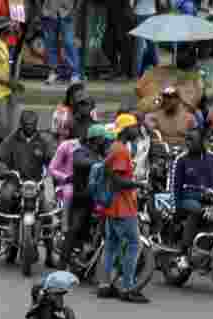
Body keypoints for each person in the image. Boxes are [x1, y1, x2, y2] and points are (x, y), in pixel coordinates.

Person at [0, 110, 57, 264]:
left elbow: (52, 159)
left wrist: (55, 168)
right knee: (5, 196)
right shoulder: (10, 140)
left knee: (47, 213)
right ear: (21, 124)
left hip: (34, 184)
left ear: (36, 125)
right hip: (15, 181)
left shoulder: (42, 141)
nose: (30, 126)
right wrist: (3, 170)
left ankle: (49, 255)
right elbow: (0, 159)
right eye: (27, 124)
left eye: (33, 124)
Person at [98, 116, 150, 303]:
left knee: (111, 245)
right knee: (134, 244)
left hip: (113, 205)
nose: (138, 130)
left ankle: (105, 285)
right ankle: (128, 287)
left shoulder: (114, 147)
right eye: (135, 127)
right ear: (126, 129)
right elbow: (119, 181)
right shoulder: (121, 151)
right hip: (123, 206)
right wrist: (139, 184)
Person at [171, 125, 213, 270]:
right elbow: (174, 187)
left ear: (202, 141)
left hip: (211, 200)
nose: (187, 142)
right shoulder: (181, 160)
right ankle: (183, 254)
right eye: (187, 139)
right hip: (186, 200)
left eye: (191, 139)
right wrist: (175, 208)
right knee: (198, 211)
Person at [62, 124, 109, 269]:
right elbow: (80, 162)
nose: (105, 142)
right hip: (82, 198)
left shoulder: (101, 154)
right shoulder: (80, 152)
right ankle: (63, 261)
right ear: (95, 139)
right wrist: (100, 164)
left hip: (97, 199)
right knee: (75, 228)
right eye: (103, 139)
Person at [0, 16, 23, 146]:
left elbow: (18, 41)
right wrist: (8, 83)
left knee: (8, 126)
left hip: (5, 90)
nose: (12, 31)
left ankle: (1, 151)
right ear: (4, 31)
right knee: (0, 126)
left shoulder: (3, 44)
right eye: (10, 29)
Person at [40, 0, 83, 85]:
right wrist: (41, 11)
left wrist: (75, 10)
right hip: (49, 12)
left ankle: (75, 74)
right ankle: (54, 71)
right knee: (50, 45)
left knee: (69, 43)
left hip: (67, 11)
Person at [133, 0, 159, 77]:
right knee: (152, 44)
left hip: (139, 12)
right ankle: (157, 69)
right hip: (151, 12)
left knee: (139, 47)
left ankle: (137, 73)